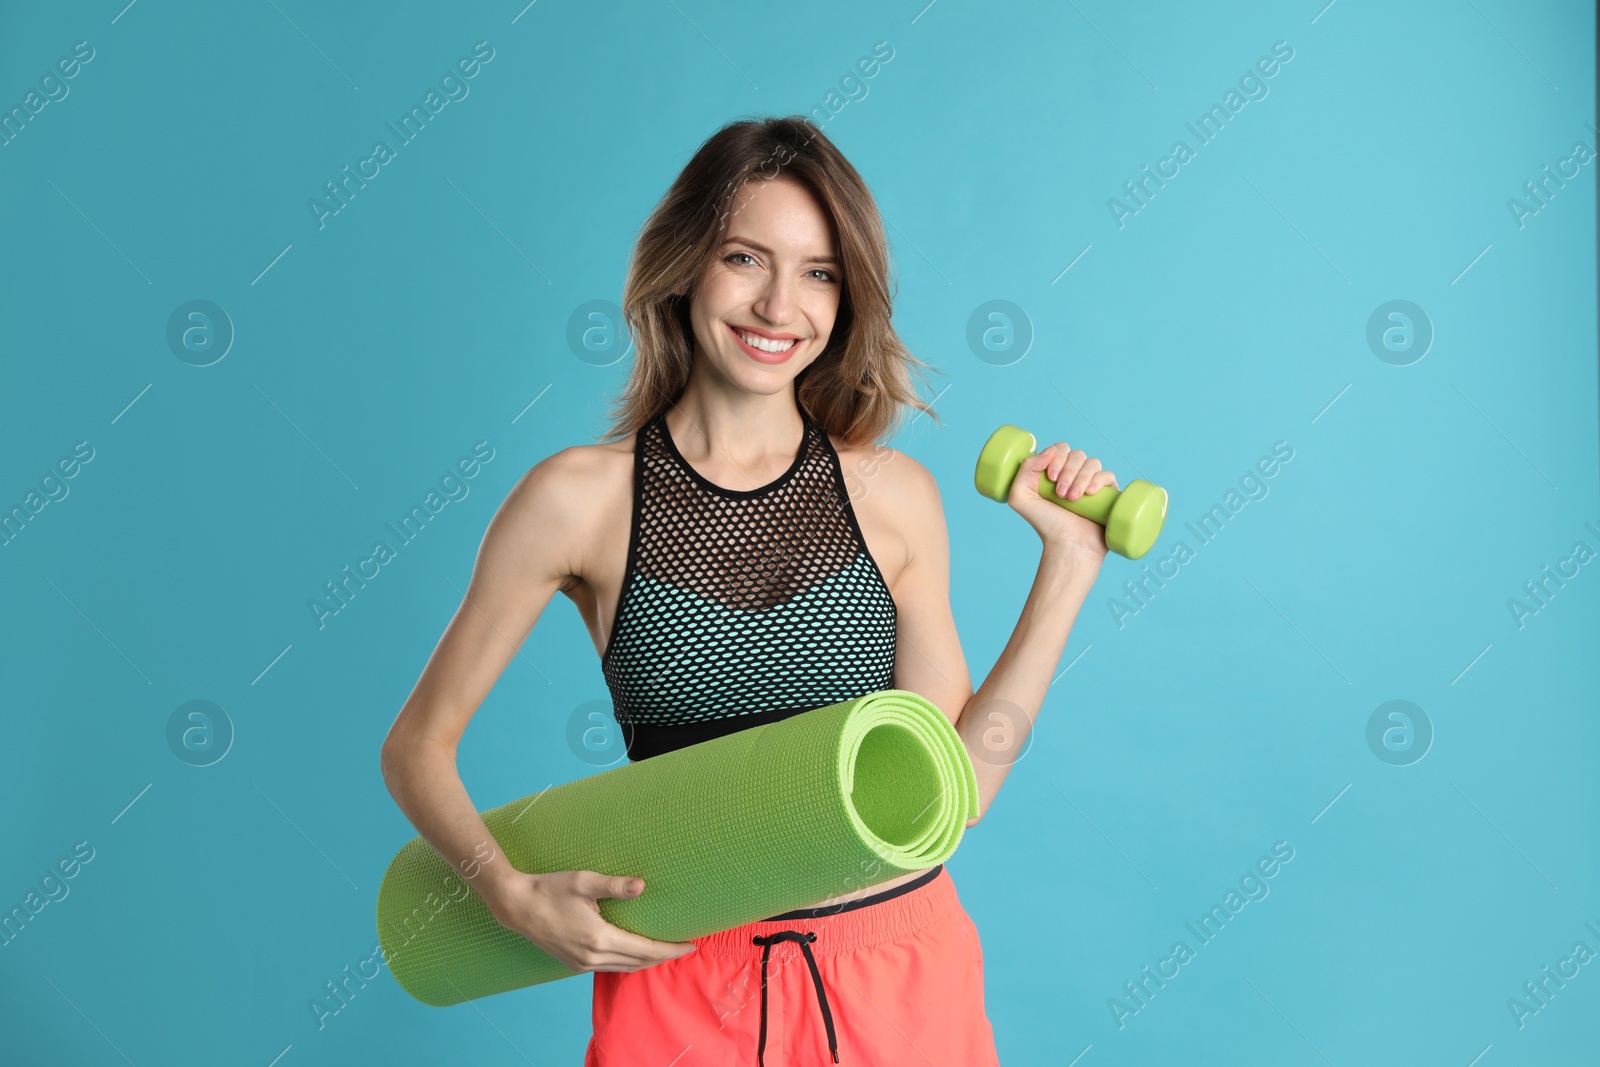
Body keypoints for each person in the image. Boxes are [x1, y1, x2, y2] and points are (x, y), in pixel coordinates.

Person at [379, 116, 1119, 1065]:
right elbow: (417, 745)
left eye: (819, 272)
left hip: (898, 971)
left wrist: (1067, 566)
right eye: (744, 257)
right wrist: (503, 890)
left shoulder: (893, 497)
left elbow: (959, 789)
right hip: (679, 981)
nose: (780, 306)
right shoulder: (575, 499)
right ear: (686, 265)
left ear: (847, 299)